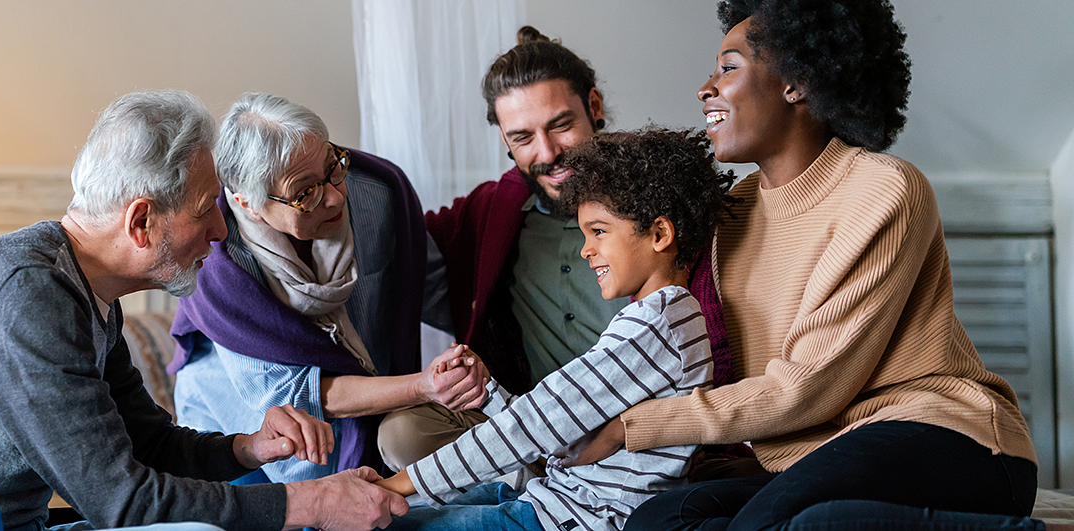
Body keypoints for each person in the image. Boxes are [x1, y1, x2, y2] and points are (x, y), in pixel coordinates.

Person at [0, 90, 408, 531]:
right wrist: (312, 502)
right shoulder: (29, 297)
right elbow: (121, 502)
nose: (221, 232)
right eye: (207, 211)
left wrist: (250, 447)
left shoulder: (83, 294)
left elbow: (146, 446)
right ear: (142, 221)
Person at [562, 1, 1053, 530]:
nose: (705, 88)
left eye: (728, 67)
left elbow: (807, 387)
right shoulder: (729, 214)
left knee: (765, 522)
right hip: (820, 453)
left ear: (795, 81)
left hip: (949, 436)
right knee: (657, 519)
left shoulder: (884, 188)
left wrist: (631, 426)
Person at [386, 24, 739, 474]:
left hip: (652, 439)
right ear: (504, 141)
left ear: (593, 106)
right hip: (539, 432)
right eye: (523, 137)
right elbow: (390, 233)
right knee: (402, 431)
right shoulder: (492, 212)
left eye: (561, 125)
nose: (549, 152)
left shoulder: (655, 199)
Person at [374, 128, 737, 531]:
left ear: (659, 234)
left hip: (575, 517)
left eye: (598, 231)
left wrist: (396, 484)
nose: (586, 250)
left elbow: (536, 425)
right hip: (553, 497)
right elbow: (562, 429)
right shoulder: (668, 318)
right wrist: (488, 391)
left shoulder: (655, 328)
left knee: (387, 522)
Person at [169, 93, 490, 484]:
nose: (336, 195)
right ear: (247, 204)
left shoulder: (379, 193)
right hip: (233, 415)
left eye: (333, 167)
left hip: (364, 404)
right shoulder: (216, 259)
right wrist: (423, 387)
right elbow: (294, 394)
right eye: (305, 193)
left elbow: (438, 293)